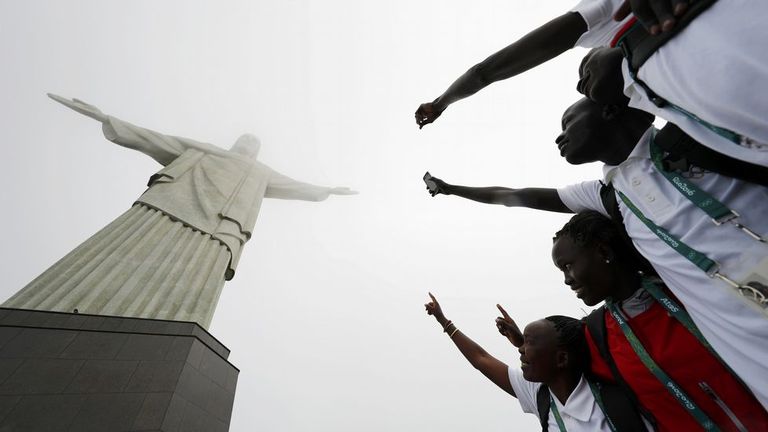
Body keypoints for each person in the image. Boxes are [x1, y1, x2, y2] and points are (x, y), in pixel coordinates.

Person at [423, 96, 768, 408]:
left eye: (569, 123)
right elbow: (519, 196)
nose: (559, 137)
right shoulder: (605, 195)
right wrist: (454, 190)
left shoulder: (687, 140)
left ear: (610, 109)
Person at [2, 94, 356, 328]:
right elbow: (153, 139)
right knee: (118, 256)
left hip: (218, 229)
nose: (247, 143)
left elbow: (295, 186)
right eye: (244, 138)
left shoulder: (262, 173)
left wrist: (324, 191)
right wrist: (105, 117)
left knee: (187, 290)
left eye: (254, 142)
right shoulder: (204, 149)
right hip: (165, 207)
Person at [415, 0, 768, 168]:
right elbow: (484, 72)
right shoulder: (647, 93)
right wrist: (442, 101)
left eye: (584, 70)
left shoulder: (609, 11)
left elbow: (487, 70)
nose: (580, 85)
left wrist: (442, 101)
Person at [551, 211, 768, 430]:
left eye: (567, 266)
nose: (567, 280)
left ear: (604, 252)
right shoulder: (597, 336)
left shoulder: (686, 286)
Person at [424, 293, 648, 431]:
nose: (521, 349)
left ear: (562, 359)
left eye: (529, 342)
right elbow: (481, 359)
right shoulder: (540, 394)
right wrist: (444, 322)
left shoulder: (615, 398)